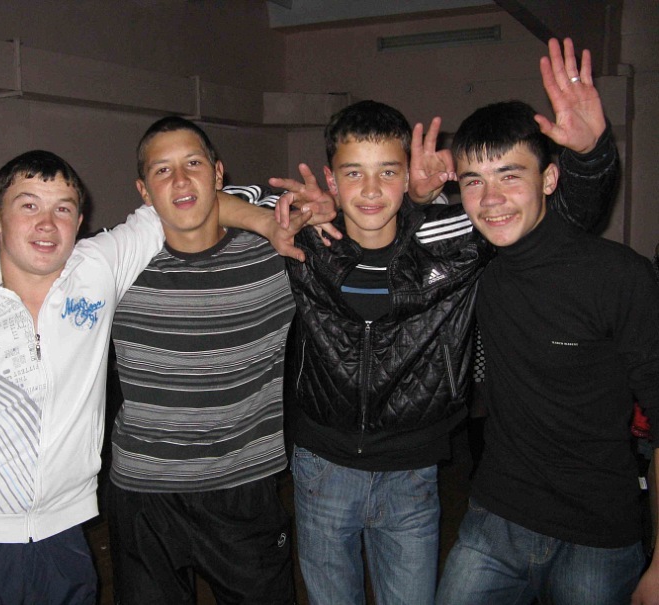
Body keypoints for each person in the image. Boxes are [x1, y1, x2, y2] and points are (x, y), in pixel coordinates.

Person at [0, 150, 308, 604]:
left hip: (63, 536)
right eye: (29, 205)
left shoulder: (97, 267)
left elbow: (187, 199)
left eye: (63, 209)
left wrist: (269, 222)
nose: (47, 224)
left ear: (80, 220)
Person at [266, 37, 618, 605]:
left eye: (387, 171)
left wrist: (589, 155)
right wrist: (273, 219)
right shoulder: (307, 241)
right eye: (353, 174)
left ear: (408, 174)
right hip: (321, 468)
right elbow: (211, 209)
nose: (371, 189)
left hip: (411, 473)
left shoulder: (450, 237)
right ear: (331, 180)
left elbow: (558, 222)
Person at [435, 101, 659, 603]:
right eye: (473, 181)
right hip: (497, 514)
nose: (491, 199)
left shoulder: (618, 276)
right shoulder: (479, 268)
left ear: (550, 180)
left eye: (510, 175)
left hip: (599, 532)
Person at [106, 116, 310, 604]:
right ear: (143, 191)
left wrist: (265, 219)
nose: (180, 180)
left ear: (219, 173)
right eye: (162, 170)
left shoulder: (275, 254)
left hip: (243, 489)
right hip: (143, 494)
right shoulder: (115, 266)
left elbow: (303, 206)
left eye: (193, 163)